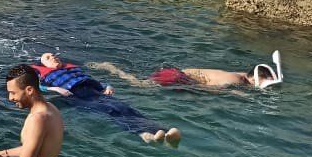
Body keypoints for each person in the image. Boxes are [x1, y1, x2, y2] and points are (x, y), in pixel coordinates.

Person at [33, 53, 182, 146]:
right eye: (48, 57)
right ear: (43, 64)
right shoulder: (44, 76)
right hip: (77, 96)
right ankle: (144, 135)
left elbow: (94, 81)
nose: (53, 57)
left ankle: (162, 131)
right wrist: (56, 89)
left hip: (95, 92)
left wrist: (107, 85)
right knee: (111, 111)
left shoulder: (72, 69)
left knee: (124, 107)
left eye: (54, 55)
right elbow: (38, 88)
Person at [90, 51, 283, 89]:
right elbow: (210, 90)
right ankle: (111, 69)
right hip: (177, 77)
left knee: (142, 83)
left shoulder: (241, 74)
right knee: (140, 86)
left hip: (178, 73)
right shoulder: (236, 81)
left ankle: (112, 68)